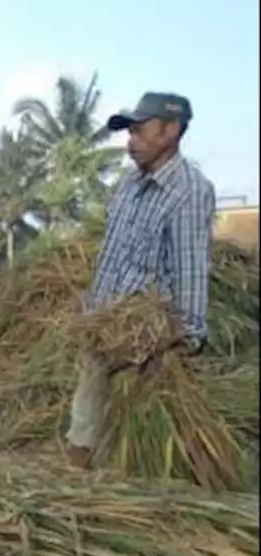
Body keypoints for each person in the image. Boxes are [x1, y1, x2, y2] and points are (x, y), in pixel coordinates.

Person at [66, 92, 215, 469]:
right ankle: (75, 482)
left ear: (170, 131)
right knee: (84, 424)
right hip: (103, 327)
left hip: (146, 345)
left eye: (139, 131)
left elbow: (190, 266)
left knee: (129, 446)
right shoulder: (129, 184)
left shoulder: (189, 191)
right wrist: (92, 311)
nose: (130, 143)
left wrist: (188, 336)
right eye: (129, 133)